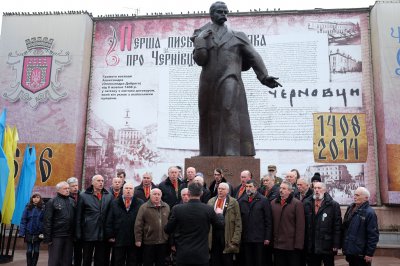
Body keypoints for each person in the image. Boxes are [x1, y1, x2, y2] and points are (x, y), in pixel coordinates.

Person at [191, 1, 281, 156]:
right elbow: (201, 60)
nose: (224, 15)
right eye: (220, 12)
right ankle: (206, 152)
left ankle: (231, 151)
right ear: (212, 14)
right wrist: (199, 41)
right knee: (206, 113)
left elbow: (253, 56)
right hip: (207, 82)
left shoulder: (237, 36)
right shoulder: (201, 34)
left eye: (225, 12)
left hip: (229, 78)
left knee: (228, 109)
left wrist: (264, 76)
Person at [164, 182, 224, 266]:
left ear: (188, 193)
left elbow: (167, 229)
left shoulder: (177, 209)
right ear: (201, 193)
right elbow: (220, 225)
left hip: (183, 254)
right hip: (201, 255)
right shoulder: (208, 209)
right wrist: (219, 214)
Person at [76, 175, 113, 266]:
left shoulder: (109, 195)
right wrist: (78, 232)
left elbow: (111, 216)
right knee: (87, 258)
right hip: (88, 232)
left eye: (102, 181)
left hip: (102, 233)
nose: (101, 183)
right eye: (98, 181)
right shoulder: (83, 196)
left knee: (100, 259)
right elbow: (78, 216)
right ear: (92, 182)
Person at [303, 182, 342, 266]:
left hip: (327, 244)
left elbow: (337, 226)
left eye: (319, 188)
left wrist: (336, 244)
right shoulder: (306, 203)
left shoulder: (333, 205)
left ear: (324, 190)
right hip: (312, 245)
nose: (316, 190)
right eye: (315, 188)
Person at [105, 182, 144, 266]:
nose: (128, 190)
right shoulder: (114, 203)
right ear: (122, 190)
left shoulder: (140, 203)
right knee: (118, 261)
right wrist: (110, 236)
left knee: (132, 261)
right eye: (126, 188)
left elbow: (143, 221)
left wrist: (140, 238)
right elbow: (109, 220)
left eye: (130, 189)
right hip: (118, 238)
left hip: (133, 239)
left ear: (134, 191)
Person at [271, 180, 305, 266]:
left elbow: (300, 226)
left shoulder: (297, 204)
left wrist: (298, 245)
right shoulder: (273, 203)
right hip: (277, 245)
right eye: (280, 188)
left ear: (290, 191)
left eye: (284, 188)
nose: (281, 190)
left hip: (291, 246)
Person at [342, 187, 379, 266]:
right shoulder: (351, 208)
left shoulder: (370, 213)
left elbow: (373, 235)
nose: (355, 197)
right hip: (351, 252)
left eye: (358, 195)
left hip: (361, 254)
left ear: (366, 198)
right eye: (354, 195)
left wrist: (369, 253)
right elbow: (346, 228)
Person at [238, 180, 272, 266]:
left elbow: (268, 220)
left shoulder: (264, 200)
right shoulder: (242, 201)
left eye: (250, 187)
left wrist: (267, 237)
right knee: (248, 261)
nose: (248, 189)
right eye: (247, 187)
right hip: (246, 238)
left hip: (259, 239)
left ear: (255, 188)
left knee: (259, 261)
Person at [207, 182, 241, 266]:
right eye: (219, 188)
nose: (220, 190)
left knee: (227, 261)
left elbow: (238, 222)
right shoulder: (211, 201)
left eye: (223, 189)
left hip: (227, 236)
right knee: (214, 260)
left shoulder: (234, 202)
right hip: (213, 235)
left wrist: (236, 239)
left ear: (228, 191)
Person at [135, 188, 170, 266]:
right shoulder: (144, 207)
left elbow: (170, 224)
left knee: (161, 263)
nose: (156, 196)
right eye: (154, 194)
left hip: (163, 242)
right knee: (148, 263)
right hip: (149, 242)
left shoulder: (166, 206)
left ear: (161, 196)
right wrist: (138, 239)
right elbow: (138, 224)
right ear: (150, 195)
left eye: (158, 194)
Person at [43, 182, 75, 266]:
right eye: (65, 188)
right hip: (56, 236)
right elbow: (47, 220)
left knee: (67, 261)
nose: (68, 190)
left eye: (68, 188)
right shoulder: (52, 201)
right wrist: (48, 238)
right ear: (58, 190)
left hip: (69, 236)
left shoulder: (72, 201)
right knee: (55, 260)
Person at [19, 192, 45, 266]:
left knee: (36, 250)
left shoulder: (43, 208)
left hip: (38, 233)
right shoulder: (28, 207)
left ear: (40, 199)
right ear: (32, 199)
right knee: (29, 250)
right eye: (34, 197)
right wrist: (22, 232)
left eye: (37, 197)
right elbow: (23, 220)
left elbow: (44, 221)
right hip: (29, 232)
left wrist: (43, 232)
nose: (36, 199)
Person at [66, 177, 83, 266]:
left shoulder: (83, 196)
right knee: (67, 252)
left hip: (79, 229)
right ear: (68, 187)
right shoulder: (65, 197)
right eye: (73, 186)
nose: (75, 188)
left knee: (78, 252)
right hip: (68, 229)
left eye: (76, 185)